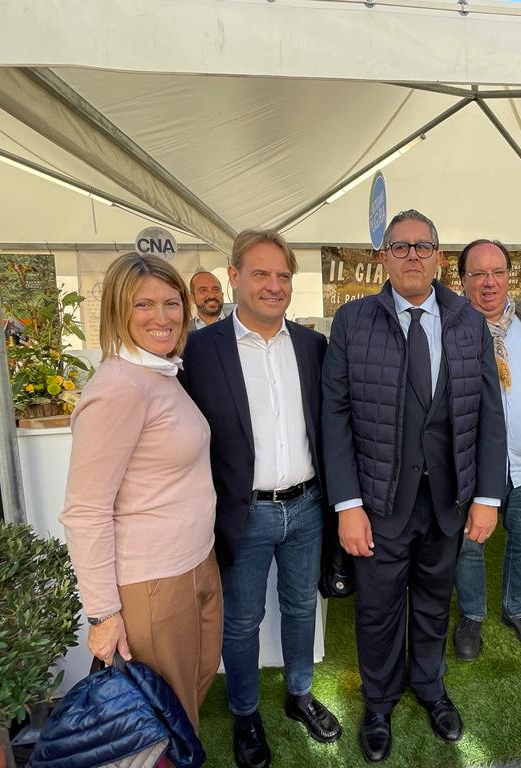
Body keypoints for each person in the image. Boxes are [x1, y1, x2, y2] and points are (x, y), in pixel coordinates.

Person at [322, 209, 507, 763]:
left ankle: (429, 687)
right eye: (399, 247)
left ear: (438, 258)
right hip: (378, 502)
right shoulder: (352, 321)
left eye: (422, 247)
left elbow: (489, 413)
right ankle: (379, 703)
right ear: (383, 257)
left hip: (447, 501)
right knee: (378, 610)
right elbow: (335, 414)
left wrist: (487, 497)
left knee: (432, 603)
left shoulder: (468, 321)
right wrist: (347, 504)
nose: (411, 256)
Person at [180, 230, 339, 768]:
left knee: (301, 607)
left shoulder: (313, 346)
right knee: (243, 620)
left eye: (283, 276)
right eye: (261, 274)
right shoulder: (200, 350)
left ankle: (299, 694)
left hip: (307, 506)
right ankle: (245, 712)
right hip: (242, 513)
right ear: (234, 277)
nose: (274, 286)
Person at [60, 252, 221, 731]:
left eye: (171, 303)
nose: (162, 317)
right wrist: (103, 615)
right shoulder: (119, 386)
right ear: (117, 311)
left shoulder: (159, 372)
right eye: (143, 305)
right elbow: (85, 510)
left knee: (186, 702)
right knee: (160, 722)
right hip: (153, 582)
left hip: (195, 562)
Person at [453, 238, 521, 660]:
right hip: (472, 468)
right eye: (478, 274)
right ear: (462, 280)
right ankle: (472, 615)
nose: (488, 282)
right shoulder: (451, 328)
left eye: (497, 272)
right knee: (468, 545)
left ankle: (517, 608)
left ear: (510, 276)